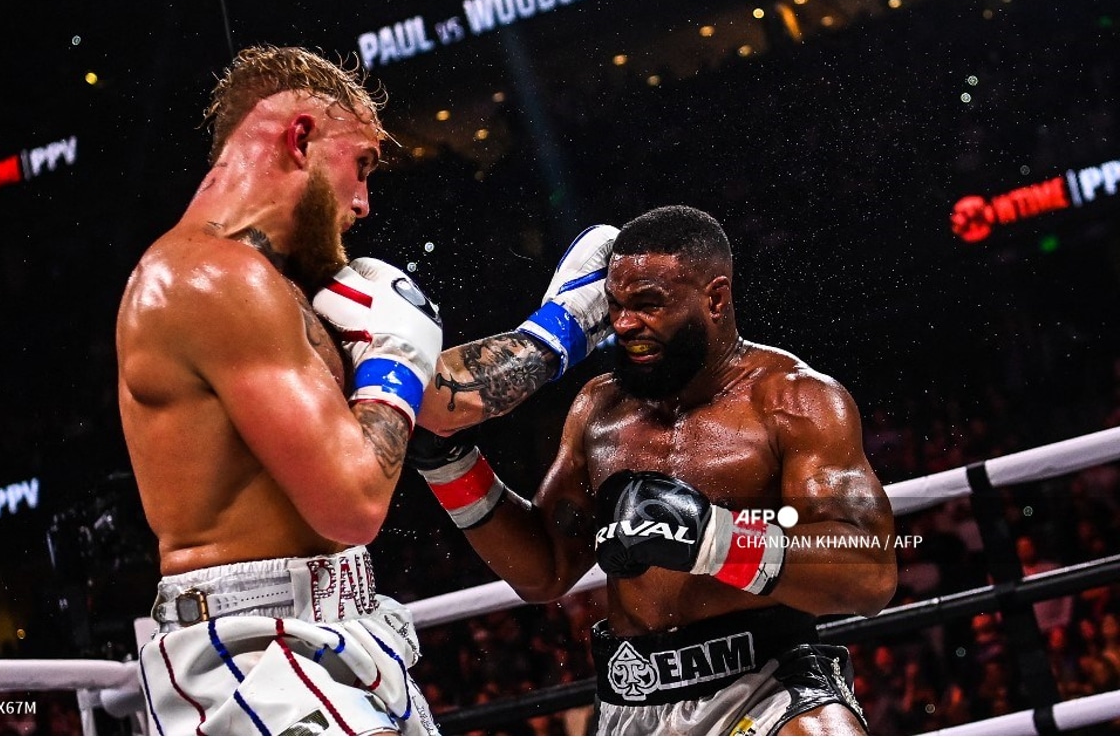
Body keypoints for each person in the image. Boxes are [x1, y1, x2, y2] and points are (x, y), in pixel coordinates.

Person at [115, 44, 617, 736]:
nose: (363, 202)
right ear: (301, 138)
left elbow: (433, 403)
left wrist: (560, 331)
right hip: (254, 648)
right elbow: (352, 502)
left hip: (347, 627)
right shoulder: (204, 278)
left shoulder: (284, 286)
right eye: (362, 165)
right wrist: (399, 349)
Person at [409, 205, 898, 735]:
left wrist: (714, 539)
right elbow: (547, 568)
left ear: (715, 298)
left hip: (768, 681)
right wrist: (448, 463)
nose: (623, 324)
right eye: (615, 305)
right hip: (633, 700)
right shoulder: (599, 409)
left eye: (648, 304)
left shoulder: (795, 402)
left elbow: (868, 574)